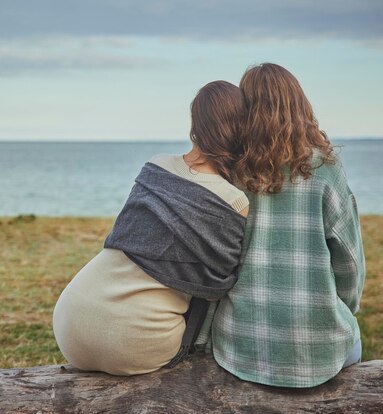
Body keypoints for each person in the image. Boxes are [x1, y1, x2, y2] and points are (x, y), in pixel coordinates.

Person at [53, 81, 250, 375]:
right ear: (240, 129)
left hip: (70, 326)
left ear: (196, 124)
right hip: (139, 342)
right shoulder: (234, 201)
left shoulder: (155, 166)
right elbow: (214, 288)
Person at [211, 63, 365, 388]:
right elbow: (348, 259)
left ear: (245, 112)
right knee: (353, 341)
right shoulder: (325, 168)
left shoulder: (230, 170)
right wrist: (343, 308)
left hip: (239, 344)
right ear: (300, 106)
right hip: (317, 348)